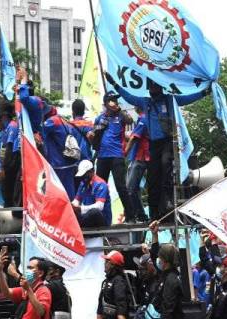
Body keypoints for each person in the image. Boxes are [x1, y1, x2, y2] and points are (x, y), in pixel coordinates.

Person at [104, 73, 208, 220]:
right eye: (151, 86)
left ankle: (167, 204)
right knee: (153, 179)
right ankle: (154, 214)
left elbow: (186, 99)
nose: (153, 88)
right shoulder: (146, 102)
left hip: (167, 142)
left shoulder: (169, 100)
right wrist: (114, 84)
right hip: (154, 145)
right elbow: (129, 97)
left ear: (160, 86)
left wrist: (204, 92)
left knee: (166, 166)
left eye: (156, 85)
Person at [87, 92, 134, 222]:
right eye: (112, 100)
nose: (115, 102)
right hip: (102, 157)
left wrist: (118, 109)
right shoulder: (99, 118)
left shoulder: (121, 116)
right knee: (100, 187)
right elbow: (94, 139)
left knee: (121, 186)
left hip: (117, 156)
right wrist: (91, 138)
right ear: (107, 103)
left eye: (116, 100)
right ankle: (102, 218)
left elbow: (130, 120)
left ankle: (131, 216)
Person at [43, 110, 78, 200]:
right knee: (70, 193)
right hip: (70, 162)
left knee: (57, 194)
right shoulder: (64, 120)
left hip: (58, 164)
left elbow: (40, 133)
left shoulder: (51, 121)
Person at [124, 106, 151, 223]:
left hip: (140, 157)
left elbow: (134, 138)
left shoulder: (143, 119)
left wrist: (124, 153)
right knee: (134, 189)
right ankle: (139, 215)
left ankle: (139, 215)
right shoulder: (147, 118)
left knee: (130, 189)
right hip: (140, 157)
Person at [71, 160, 112, 228]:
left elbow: (99, 206)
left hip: (102, 219)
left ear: (91, 172)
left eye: (85, 174)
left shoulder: (100, 184)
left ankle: (77, 226)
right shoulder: (83, 184)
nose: (83, 177)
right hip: (86, 217)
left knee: (94, 212)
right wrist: (71, 206)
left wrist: (81, 209)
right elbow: (76, 201)